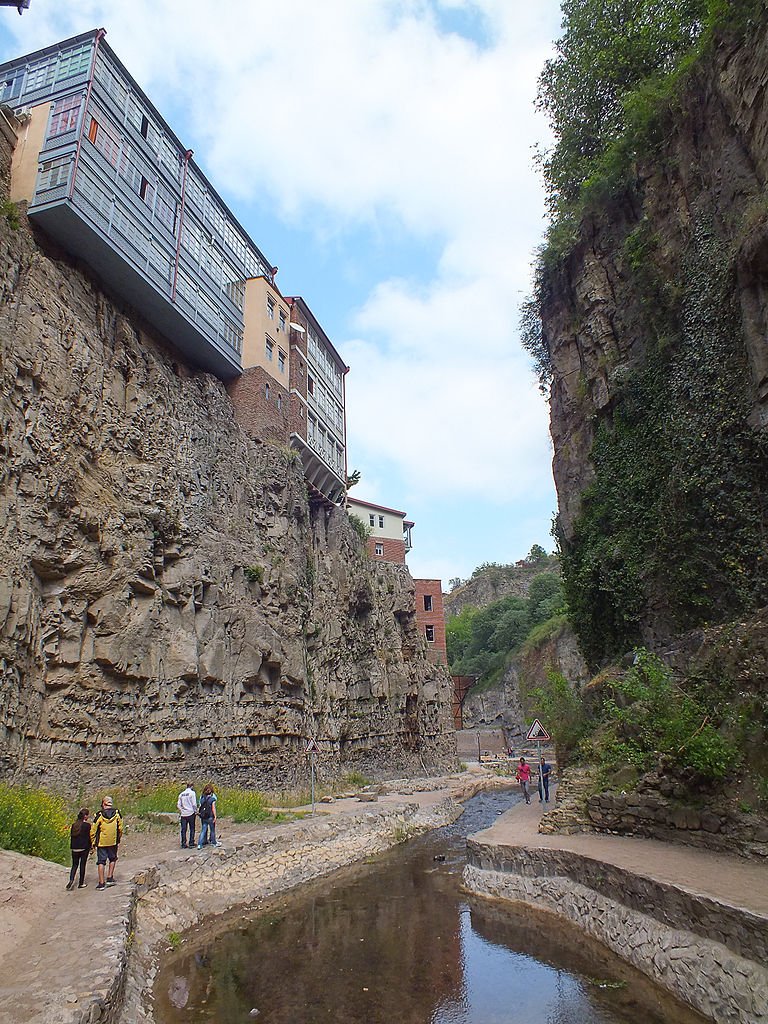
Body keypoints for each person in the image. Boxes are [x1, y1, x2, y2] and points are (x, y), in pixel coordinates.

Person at [91, 796, 123, 890]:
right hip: (113, 841)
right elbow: (120, 828)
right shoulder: (117, 814)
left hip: (102, 842)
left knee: (101, 861)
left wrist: (92, 842)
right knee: (112, 859)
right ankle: (110, 878)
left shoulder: (99, 815)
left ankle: (101, 883)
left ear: (103, 804)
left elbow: (93, 830)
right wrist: (118, 838)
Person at [66, 808, 92, 890]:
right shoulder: (87, 826)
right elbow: (89, 837)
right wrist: (91, 847)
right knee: (82, 865)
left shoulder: (74, 825)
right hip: (84, 848)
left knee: (74, 865)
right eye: (87, 815)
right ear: (85, 816)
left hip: (74, 848)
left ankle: (71, 880)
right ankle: (81, 883)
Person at [197, 784, 221, 849]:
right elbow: (213, 808)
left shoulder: (202, 798)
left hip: (203, 816)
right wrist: (215, 816)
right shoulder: (212, 798)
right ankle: (213, 842)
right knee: (212, 830)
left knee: (203, 830)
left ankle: (200, 844)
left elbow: (200, 806)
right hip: (210, 816)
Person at [177, 782, 197, 848]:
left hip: (183, 814)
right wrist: (195, 811)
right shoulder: (192, 793)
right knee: (192, 828)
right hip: (191, 813)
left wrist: (182, 810)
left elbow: (178, 805)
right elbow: (194, 804)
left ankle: (183, 843)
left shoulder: (181, 794)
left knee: (183, 829)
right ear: (192, 786)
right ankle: (191, 842)